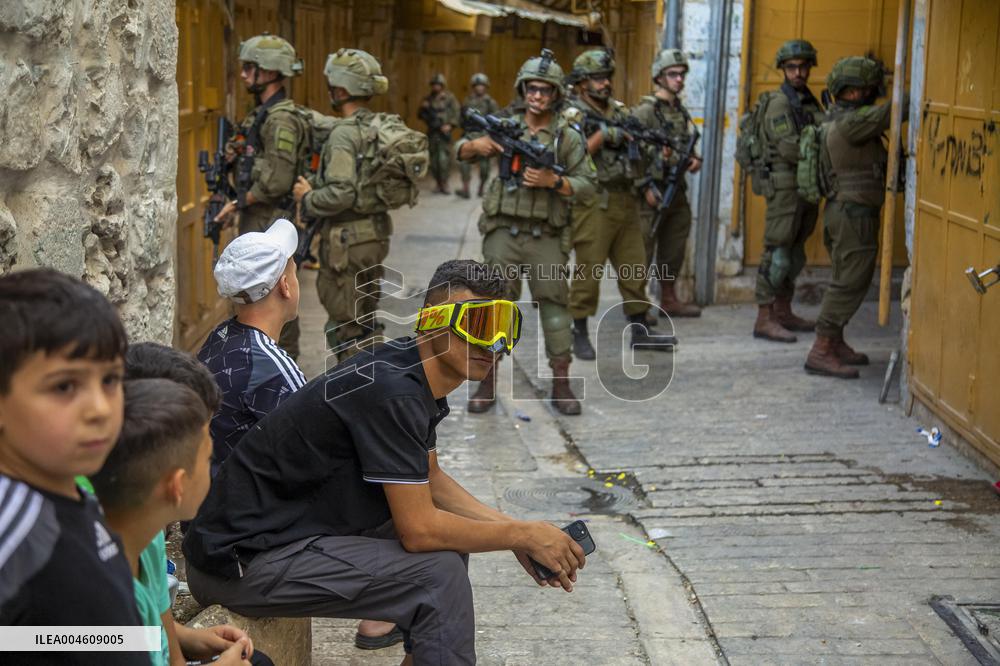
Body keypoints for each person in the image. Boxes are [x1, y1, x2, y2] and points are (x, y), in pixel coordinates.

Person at [183, 259, 587, 666]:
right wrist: (521, 535)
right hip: (238, 563)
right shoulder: (394, 390)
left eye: (506, 329)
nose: (494, 346)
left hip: (279, 538)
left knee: (452, 547)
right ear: (431, 323)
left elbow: (430, 479)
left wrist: (513, 531)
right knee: (438, 576)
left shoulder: (407, 370)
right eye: (479, 327)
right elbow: (420, 532)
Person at [0, 269, 145, 665]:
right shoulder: (12, 528)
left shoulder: (70, 490)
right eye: (65, 387)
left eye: (111, 380)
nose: (100, 409)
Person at [456, 50, 598, 415]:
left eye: (545, 91)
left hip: (545, 236)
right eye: (532, 89)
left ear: (555, 94)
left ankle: (561, 383)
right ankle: (486, 383)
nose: (537, 96)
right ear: (523, 89)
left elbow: (589, 184)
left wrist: (556, 181)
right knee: (493, 309)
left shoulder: (566, 135)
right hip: (503, 231)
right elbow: (462, 146)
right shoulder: (505, 123)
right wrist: (477, 146)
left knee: (554, 307)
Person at [91, 378, 270, 666]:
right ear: (177, 485)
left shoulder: (143, 538)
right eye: (208, 460)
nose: (213, 472)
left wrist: (184, 638)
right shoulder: (106, 597)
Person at [564, 48, 674, 359]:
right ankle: (579, 331)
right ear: (582, 83)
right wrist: (604, 136)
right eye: (597, 78)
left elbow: (638, 148)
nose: (604, 83)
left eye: (606, 77)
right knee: (589, 270)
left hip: (627, 198)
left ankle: (639, 328)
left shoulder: (621, 111)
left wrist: (657, 153)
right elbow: (571, 156)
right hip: (593, 201)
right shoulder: (573, 114)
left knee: (634, 268)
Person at [212, 33, 310, 360]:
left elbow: (277, 180)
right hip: (260, 218)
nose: (243, 75)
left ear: (268, 72)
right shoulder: (261, 114)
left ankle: (283, 373)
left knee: (276, 302)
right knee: (254, 300)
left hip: (273, 219)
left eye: (249, 68)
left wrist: (240, 201)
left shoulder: (281, 119)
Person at [805, 56, 900, 378]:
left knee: (846, 277)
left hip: (847, 213)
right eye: (872, 87)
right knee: (848, 282)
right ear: (857, 92)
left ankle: (836, 342)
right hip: (851, 216)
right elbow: (891, 113)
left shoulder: (838, 118)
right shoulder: (851, 122)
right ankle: (821, 348)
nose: (876, 92)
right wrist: (913, 88)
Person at [198, 218, 305, 475]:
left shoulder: (220, 335)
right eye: (294, 270)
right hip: (248, 508)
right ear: (285, 286)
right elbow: (311, 451)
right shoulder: (273, 367)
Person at [752, 40, 825, 343]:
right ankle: (764, 317)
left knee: (795, 254)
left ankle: (783, 311)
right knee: (778, 252)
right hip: (785, 185)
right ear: (783, 69)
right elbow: (788, 146)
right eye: (792, 67)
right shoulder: (780, 103)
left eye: (803, 66)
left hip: (805, 185)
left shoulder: (808, 100)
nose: (798, 72)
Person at [631, 49, 703, 318]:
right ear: (659, 77)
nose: (679, 80)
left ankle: (668, 298)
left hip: (677, 190)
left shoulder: (680, 111)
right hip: (652, 191)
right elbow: (632, 154)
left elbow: (685, 146)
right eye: (673, 74)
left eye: (682, 74)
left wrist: (694, 160)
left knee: (674, 245)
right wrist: (645, 185)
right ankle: (636, 304)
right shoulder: (645, 112)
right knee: (643, 249)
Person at [458, 73, 499, 199]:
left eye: (481, 85)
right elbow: (461, 118)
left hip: (484, 135)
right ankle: (465, 188)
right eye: (477, 85)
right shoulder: (467, 101)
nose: (479, 88)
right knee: (463, 161)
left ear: (486, 87)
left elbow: (496, 119)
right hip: (470, 134)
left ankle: (481, 187)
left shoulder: (490, 102)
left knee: (485, 166)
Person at [420, 73, 461, 194]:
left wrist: (450, 125)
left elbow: (456, 112)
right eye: (434, 85)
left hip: (444, 134)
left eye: (438, 85)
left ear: (442, 86)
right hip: (433, 133)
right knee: (433, 161)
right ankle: (438, 183)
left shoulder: (449, 98)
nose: (436, 87)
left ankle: (444, 183)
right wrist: (424, 109)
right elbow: (421, 115)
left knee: (444, 160)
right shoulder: (428, 99)